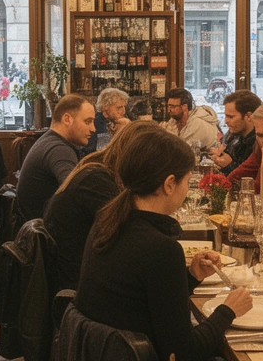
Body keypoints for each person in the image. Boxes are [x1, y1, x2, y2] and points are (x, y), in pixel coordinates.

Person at [73, 127, 263, 361]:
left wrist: (190, 277)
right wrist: (229, 311)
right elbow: (183, 355)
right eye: (187, 182)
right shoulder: (159, 248)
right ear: (168, 184)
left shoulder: (109, 220)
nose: (186, 190)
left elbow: (141, 299)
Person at [44, 121, 161, 291]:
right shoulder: (97, 181)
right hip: (76, 286)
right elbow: (132, 236)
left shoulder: (98, 168)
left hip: (74, 273)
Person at [16, 93, 95, 221]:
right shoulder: (59, 149)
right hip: (46, 234)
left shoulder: (50, 141)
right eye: (88, 121)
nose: (93, 129)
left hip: (35, 224)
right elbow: (75, 192)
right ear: (67, 119)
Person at [210, 90, 261, 176]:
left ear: (249, 116)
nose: (226, 121)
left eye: (230, 117)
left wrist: (229, 165)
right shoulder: (235, 136)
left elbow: (251, 179)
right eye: (226, 116)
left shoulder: (259, 142)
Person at [88, 87, 130, 152]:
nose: (123, 111)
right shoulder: (94, 124)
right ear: (106, 108)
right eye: (119, 108)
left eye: (123, 107)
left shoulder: (120, 121)